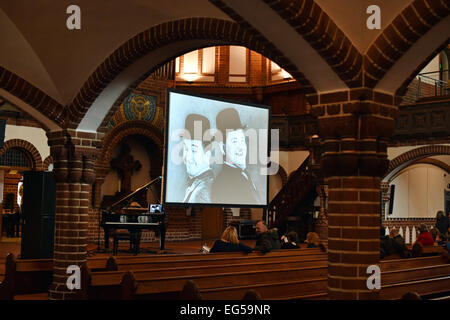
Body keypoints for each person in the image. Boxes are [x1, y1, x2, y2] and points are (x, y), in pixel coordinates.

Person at [211, 108, 260, 205]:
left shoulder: (244, 174)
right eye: (234, 141)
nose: (240, 147)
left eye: (242, 140)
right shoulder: (223, 183)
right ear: (222, 148)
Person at [180, 114, 214, 203]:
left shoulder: (202, 192)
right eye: (185, 149)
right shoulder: (196, 184)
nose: (187, 157)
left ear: (207, 155)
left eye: (194, 150)